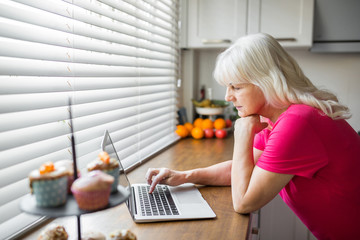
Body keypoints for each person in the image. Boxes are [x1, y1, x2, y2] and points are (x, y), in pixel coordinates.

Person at [145, 33, 360, 240]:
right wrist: (185, 176)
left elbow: (244, 202)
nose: (228, 96)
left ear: (266, 82)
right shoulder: (277, 118)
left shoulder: (298, 122)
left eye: (236, 87)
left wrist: (242, 134)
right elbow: (244, 168)